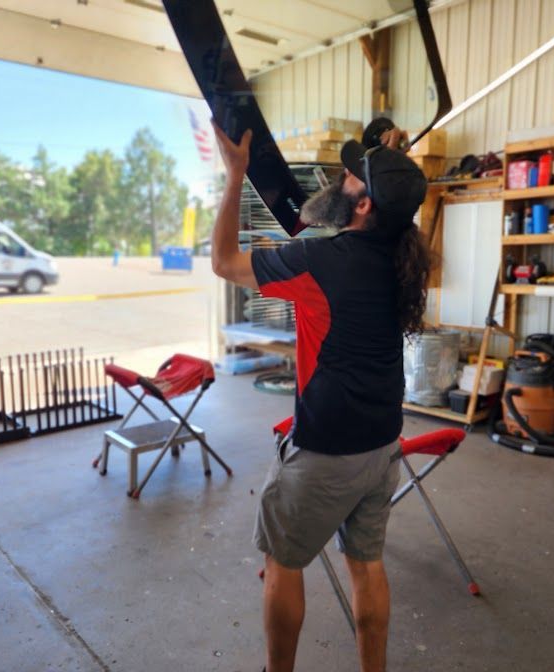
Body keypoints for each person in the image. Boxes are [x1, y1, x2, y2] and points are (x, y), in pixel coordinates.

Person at [211, 122, 430, 672]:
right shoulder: (401, 258)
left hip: (326, 452)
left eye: (353, 176)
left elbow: (223, 263)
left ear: (361, 208)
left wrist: (236, 175)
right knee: (366, 565)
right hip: (383, 444)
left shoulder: (321, 261)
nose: (342, 177)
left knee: (283, 563)